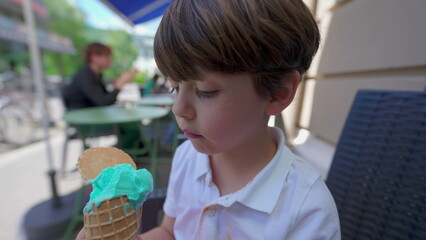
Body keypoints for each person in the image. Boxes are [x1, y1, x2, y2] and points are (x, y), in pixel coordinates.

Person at [77, 0, 340, 239]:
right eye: (174, 88)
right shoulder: (186, 158)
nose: (179, 109)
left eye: (205, 91)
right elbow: (170, 231)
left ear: (277, 92)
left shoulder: (307, 210)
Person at [66, 42, 139, 149]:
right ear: (95, 57)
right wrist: (120, 84)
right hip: (84, 122)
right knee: (132, 126)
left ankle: (132, 153)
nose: (110, 60)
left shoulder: (95, 74)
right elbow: (103, 102)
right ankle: (121, 158)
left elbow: (106, 99)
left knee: (133, 122)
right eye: (107, 56)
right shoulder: (85, 75)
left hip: (93, 117)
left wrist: (118, 85)